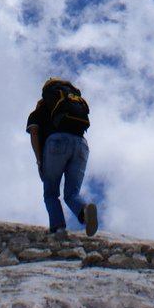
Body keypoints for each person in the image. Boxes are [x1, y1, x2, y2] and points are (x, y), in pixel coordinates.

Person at [26, 78, 99, 236]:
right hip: (81, 144)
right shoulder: (70, 104)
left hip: (56, 143)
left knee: (51, 192)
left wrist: (39, 160)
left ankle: (58, 228)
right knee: (72, 193)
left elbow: (34, 133)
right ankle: (85, 210)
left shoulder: (39, 111)